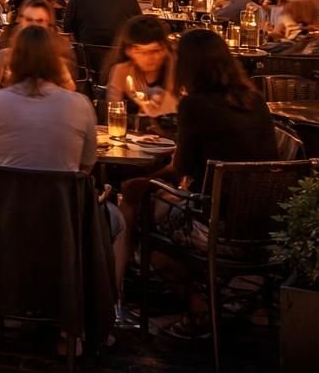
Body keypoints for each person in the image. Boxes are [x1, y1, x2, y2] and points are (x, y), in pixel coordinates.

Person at [115, 29, 277, 339]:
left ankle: (196, 309)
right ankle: (218, 303)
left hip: (216, 225)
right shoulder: (255, 99)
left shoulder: (195, 105)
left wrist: (145, 180)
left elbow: (181, 169)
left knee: (138, 202)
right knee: (156, 198)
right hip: (263, 226)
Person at [0, 23, 97, 173]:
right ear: (56, 62)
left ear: (15, 61)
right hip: (62, 195)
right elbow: (88, 162)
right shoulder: (81, 104)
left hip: (10, 194)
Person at [104, 15, 179, 117]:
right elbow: (113, 114)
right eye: (141, 52)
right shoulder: (121, 71)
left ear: (165, 49)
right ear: (129, 51)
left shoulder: (177, 69)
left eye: (155, 50)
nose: (149, 57)